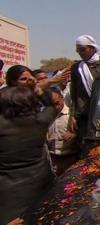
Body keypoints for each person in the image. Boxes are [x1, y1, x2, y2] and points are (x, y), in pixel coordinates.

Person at [0, 86, 61, 225]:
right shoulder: (40, 121)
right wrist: (40, 91)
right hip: (41, 187)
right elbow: (53, 105)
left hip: (8, 195)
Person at [70, 34, 100, 153]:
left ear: (92, 48)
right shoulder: (76, 68)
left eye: (82, 49)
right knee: (85, 148)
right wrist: (73, 116)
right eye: (77, 50)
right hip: (84, 115)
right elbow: (74, 93)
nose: (79, 52)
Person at [47, 87, 78, 175]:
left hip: (69, 158)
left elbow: (83, 134)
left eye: (57, 103)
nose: (55, 107)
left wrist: (74, 135)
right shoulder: (47, 116)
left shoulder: (72, 116)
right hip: (52, 158)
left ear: (62, 97)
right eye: (51, 105)